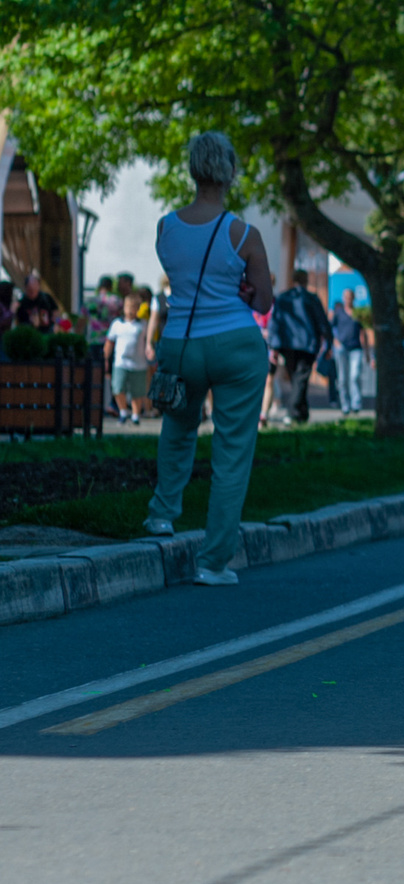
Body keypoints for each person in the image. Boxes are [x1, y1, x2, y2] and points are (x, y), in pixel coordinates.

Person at [143, 131, 277, 586]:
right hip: (235, 344)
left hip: (180, 341)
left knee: (178, 428)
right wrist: (243, 287)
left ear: (192, 170)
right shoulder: (243, 233)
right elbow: (262, 302)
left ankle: (162, 515)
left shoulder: (166, 227)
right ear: (230, 172)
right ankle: (212, 561)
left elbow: (180, 278)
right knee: (232, 450)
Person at [266, 268, 331, 425]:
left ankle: (301, 413)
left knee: (296, 377)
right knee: (300, 379)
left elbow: (275, 323)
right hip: (307, 345)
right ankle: (293, 411)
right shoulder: (311, 299)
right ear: (306, 280)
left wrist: (274, 347)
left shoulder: (283, 298)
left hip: (287, 344)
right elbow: (322, 322)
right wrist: (328, 343)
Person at [107, 293, 152, 424]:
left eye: (133, 307)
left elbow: (149, 342)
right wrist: (105, 358)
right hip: (120, 362)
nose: (130, 309)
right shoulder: (117, 324)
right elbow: (109, 342)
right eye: (128, 306)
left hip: (139, 364)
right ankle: (123, 411)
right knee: (118, 388)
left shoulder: (143, 325)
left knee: (137, 391)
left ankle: (136, 414)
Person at [331, 291, 368, 413]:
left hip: (356, 348)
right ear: (343, 298)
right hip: (342, 349)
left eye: (350, 297)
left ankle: (356, 404)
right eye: (346, 297)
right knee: (342, 379)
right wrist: (335, 342)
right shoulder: (339, 312)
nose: (348, 299)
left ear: (353, 298)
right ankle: (345, 405)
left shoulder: (358, 314)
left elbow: (364, 333)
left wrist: (367, 352)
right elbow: (331, 328)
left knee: (354, 376)